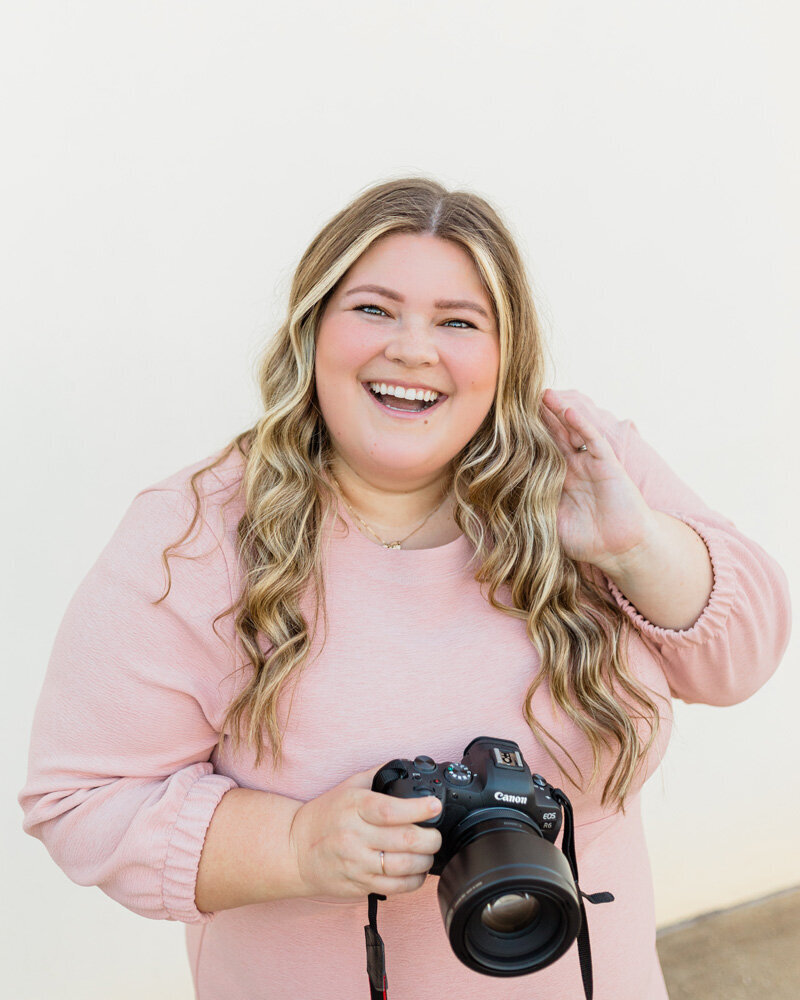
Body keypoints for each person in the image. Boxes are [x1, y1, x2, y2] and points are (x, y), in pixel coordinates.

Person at [19, 177, 791, 1000]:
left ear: (507, 356)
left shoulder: (580, 463)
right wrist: (296, 844)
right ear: (313, 331)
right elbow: (80, 799)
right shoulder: (196, 533)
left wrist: (636, 547)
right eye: (373, 310)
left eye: (459, 322)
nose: (414, 349)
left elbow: (744, 660)